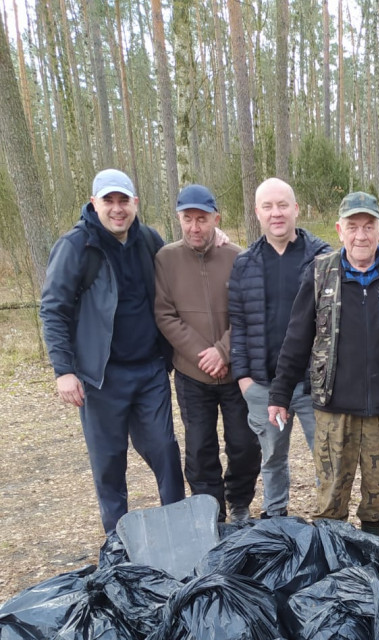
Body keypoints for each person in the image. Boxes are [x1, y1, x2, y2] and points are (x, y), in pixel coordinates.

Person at [267, 191, 379, 535]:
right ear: (339, 230)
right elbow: (297, 339)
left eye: (368, 227)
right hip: (334, 408)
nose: (360, 236)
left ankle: (371, 549)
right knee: (331, 496)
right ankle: (334, 555)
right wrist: (279, 395)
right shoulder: (320, 273)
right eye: (352, 227)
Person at [40, 168, 185, 535]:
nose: (117, 209)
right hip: (101, 376)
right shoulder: (77, 247)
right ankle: (117, 541)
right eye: (109, 201)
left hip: (150, 370)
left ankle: (180, 529)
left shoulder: (149, 240)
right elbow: (54, 309)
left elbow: (179, 268)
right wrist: (64, 370)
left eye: (124, 200)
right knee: (109, 463)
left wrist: (216, 240)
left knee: (165, 450)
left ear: (135, 203)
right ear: (94, 203)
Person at [154, 184, 260, 524]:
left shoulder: (238, 257)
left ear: (216, 218)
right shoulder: (166, 259)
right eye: (188, 219)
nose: (195, 227)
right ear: (179, 219)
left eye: (202, 219)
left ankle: (240, 502)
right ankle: (210, 512)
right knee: (200, 448)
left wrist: (223, 351)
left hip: (236, 372)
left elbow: (249, 311)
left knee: (244, 444)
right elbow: (165, 314)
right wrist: (204, 354)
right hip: (192, 373)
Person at [228, 178, 332, 518]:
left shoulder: (322, 257)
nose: (276, 213)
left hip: (314, 383)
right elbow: (238, 323)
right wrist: (244, 379)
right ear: (257, 212)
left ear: (296, 209)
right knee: (272, 457)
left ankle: (330, 518)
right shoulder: (245, 263)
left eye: (283, 205)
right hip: (263, 383)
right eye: (268, 206)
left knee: (327, 457)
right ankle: (275, 517)